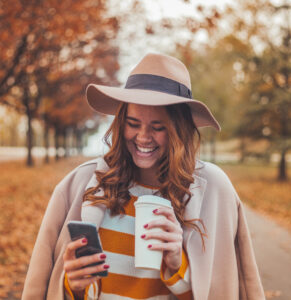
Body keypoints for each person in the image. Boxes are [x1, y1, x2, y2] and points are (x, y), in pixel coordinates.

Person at [22, 53, 265, 300]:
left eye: (158, 127)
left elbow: (225, 290)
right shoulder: (79, 184)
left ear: (180, 130)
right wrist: (73, 286)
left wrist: (176, 264)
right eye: (133, 123)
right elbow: (43, 285)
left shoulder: (214, 190)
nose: (143, 137)